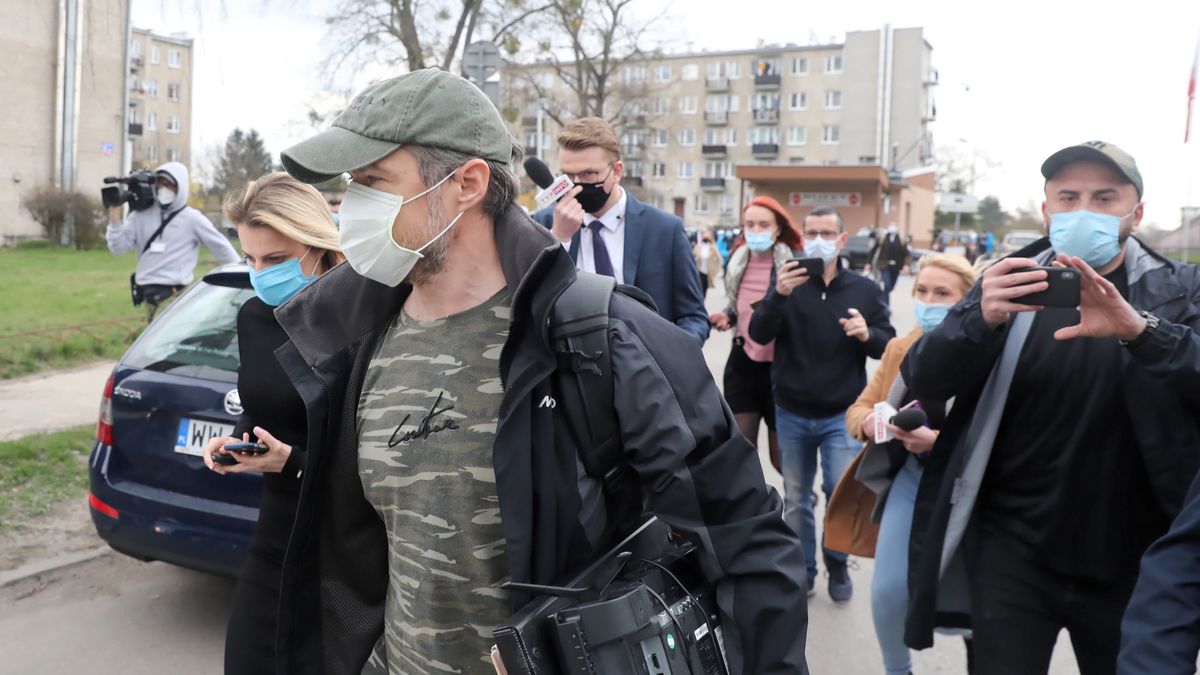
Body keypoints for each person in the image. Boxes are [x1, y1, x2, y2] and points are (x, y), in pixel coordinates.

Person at [271, 68, 810, 675]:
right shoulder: (354, 337)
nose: (352, 207)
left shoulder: (601, 337)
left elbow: (746, 546)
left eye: (373, 182)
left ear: (467, 183)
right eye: (352, 185)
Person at [902, 141, 1200, 675]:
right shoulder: (1006, 281)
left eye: (1104, 198)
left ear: (1136, 213)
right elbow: (923, 379)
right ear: (1046, 210)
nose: (1084, 210)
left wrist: (1141, 331)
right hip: (1013, 553)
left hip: (1134, 557)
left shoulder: (1180, 289)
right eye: (1068, 197)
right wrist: (976, 321)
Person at [199, 172, 343, 675]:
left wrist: (295, 463)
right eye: (250, 258)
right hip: (278, 530)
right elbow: (265, 411)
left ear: (318, 246)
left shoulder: (364, 318)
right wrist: (239, 441)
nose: (260, 273)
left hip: (346, 545)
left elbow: (376, 452)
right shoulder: (255, 317)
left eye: (276, 259)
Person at [827, 253, 977, 675]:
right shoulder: (901, 347)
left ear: (969, 300)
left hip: (971, 482)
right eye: (922, 291)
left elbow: (1001, 435)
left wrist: (938, 442)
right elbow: (859, 408)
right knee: (888, 591)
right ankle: (898, 670)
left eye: (942, 293)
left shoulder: (990, 350)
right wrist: (872, 423)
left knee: (975, 600)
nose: (928, 302)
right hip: (912, 477)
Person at [749, 205, 896, 602]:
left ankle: (837, 562)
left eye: (827, 234)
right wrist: (778, 294)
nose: (818, 241)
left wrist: (867, 334)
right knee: (796, 499)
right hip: (792, 410)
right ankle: (804, 571)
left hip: (840, 413)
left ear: (842, 240)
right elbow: (759, 333)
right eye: (811, 233)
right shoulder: (788, 280)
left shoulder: (864, 289)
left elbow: (887, 344)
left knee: (837, 493)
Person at [533, 117, 709, 343]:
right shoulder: (544, 224)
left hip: (645, 359)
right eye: (567, 176)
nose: (576, 184)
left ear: (616, 171)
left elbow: (693, 317)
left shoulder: (665, 230)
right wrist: (560, 239)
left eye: (588, 174)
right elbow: (532, 306)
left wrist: (670, 356)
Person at [709, 196, 803, 475]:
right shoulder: (738, 259)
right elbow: (739, 303)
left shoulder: (793, 264)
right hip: (742, 363)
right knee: (740, 454)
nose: (756, 231)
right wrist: (728, 316)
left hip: (781, 367)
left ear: (778, 228)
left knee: (780, 460)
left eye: (764, 225)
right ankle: (749, 503)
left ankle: (800, 498)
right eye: (750, 224)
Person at [105, 161, 240, 320]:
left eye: (169, 185)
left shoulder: (192, 218)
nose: (164, 189)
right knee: (155, 334)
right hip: (147, 295)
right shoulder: (139, 215)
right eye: (160, 183)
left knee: (159, 335)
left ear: (180, 187)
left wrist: (241, 277)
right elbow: (118, 247)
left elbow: (221, 247)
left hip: (175, 295)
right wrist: (114, 213)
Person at [871, 223, 910, 301]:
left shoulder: (901, 239)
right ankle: (885, 304)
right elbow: (873, 250)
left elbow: (906, 254)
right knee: (887, 285)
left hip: (896, 266)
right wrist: (868, 262)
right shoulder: (883, 238)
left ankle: (882, 297)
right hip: (884, 265)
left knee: (891, 287)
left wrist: (906, 264)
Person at [694, 228, 722, 294]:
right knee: (699, 288)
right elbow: (694, 257)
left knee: (705, 289)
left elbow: (719, 259)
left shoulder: (713, 247)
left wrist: (716, 269)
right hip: (699, 271)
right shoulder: (698, 247)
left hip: (708, 272)